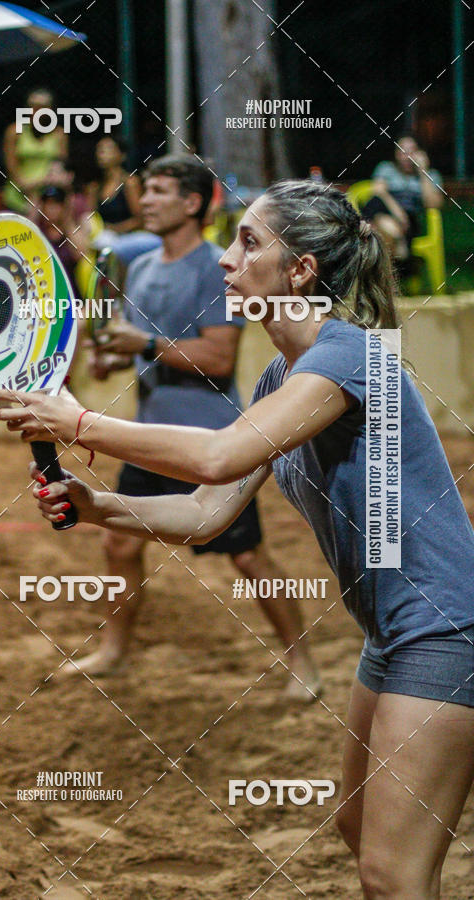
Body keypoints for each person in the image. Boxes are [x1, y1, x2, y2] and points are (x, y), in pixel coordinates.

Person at [0, 179, 474, 899]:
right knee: (358, 826)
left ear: (301, 270)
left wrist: (79, 424)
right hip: (392, 633)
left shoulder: (348, 356)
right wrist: (97, 507)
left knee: (391, 874)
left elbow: (219, 455)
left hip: (444, 630)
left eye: (249, 242)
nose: (226, 259)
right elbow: (207, 511)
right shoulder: (284, 375)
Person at [76, 154, 321, 699]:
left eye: (160, 190)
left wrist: (139, 345)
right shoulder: (139, 266)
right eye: (148, 190)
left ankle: (302, 662)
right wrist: (113, 359)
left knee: (247, 555)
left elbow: (216, 360)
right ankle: (113, 648)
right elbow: (152, 352)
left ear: (191, 203)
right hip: (151, 438)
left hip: (213, 442)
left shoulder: (222, 268)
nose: (148, 200)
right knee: (119, 547)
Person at [363, 134, 444, 273]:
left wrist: (423, 172)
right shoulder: (386, 168)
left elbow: (433, 204)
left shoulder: (432, 175)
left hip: (410, 221)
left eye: (411, 151)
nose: (405, 156)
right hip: (386, 212)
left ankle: (390, 269)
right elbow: (379, 193)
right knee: (378, 209)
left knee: (378, 229)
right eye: (401, 151)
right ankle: (401, 251)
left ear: (420, 153)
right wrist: (398, 213)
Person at [89, 136, 160, 264]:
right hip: (104, 240)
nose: (102, 153)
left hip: (129, 239)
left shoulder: (130, 183)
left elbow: (140, 220)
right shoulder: (95, 187)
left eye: (108, 148)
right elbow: (93, 218)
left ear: (121, 156)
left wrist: (116, 229)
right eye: (99, 149)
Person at [2, 88, 69, 214]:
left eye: (42, 107)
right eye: (32, 106)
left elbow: (61, 165)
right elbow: (11, 168)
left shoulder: (60, 134)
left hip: (48, 199)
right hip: (18, 196)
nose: (37, 111)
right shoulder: (14, 131)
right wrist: (32, 186)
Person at [32, 185, 89, 295]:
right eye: (47, 204)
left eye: (55, 204)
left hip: (71, 296)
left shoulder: (69, 230)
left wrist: (67, 219)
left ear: (64, 207)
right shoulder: (37, 231)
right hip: (43, 294)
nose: (50, 208)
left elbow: (80, 254)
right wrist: (34, 213)